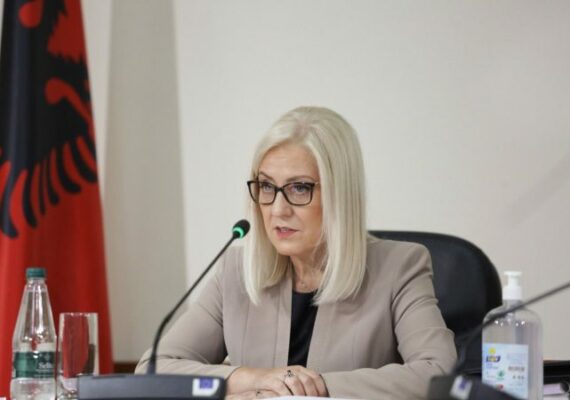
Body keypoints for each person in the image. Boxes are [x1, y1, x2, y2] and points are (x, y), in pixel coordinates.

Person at [136, 106, 457, 399]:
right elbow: (154, 368)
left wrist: (309, 388)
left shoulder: (400, 267)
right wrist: (254, 379)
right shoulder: (236, 271)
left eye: (299, 188)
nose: (278, 209)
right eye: (266, 186)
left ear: (339, 194)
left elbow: (438, 372)